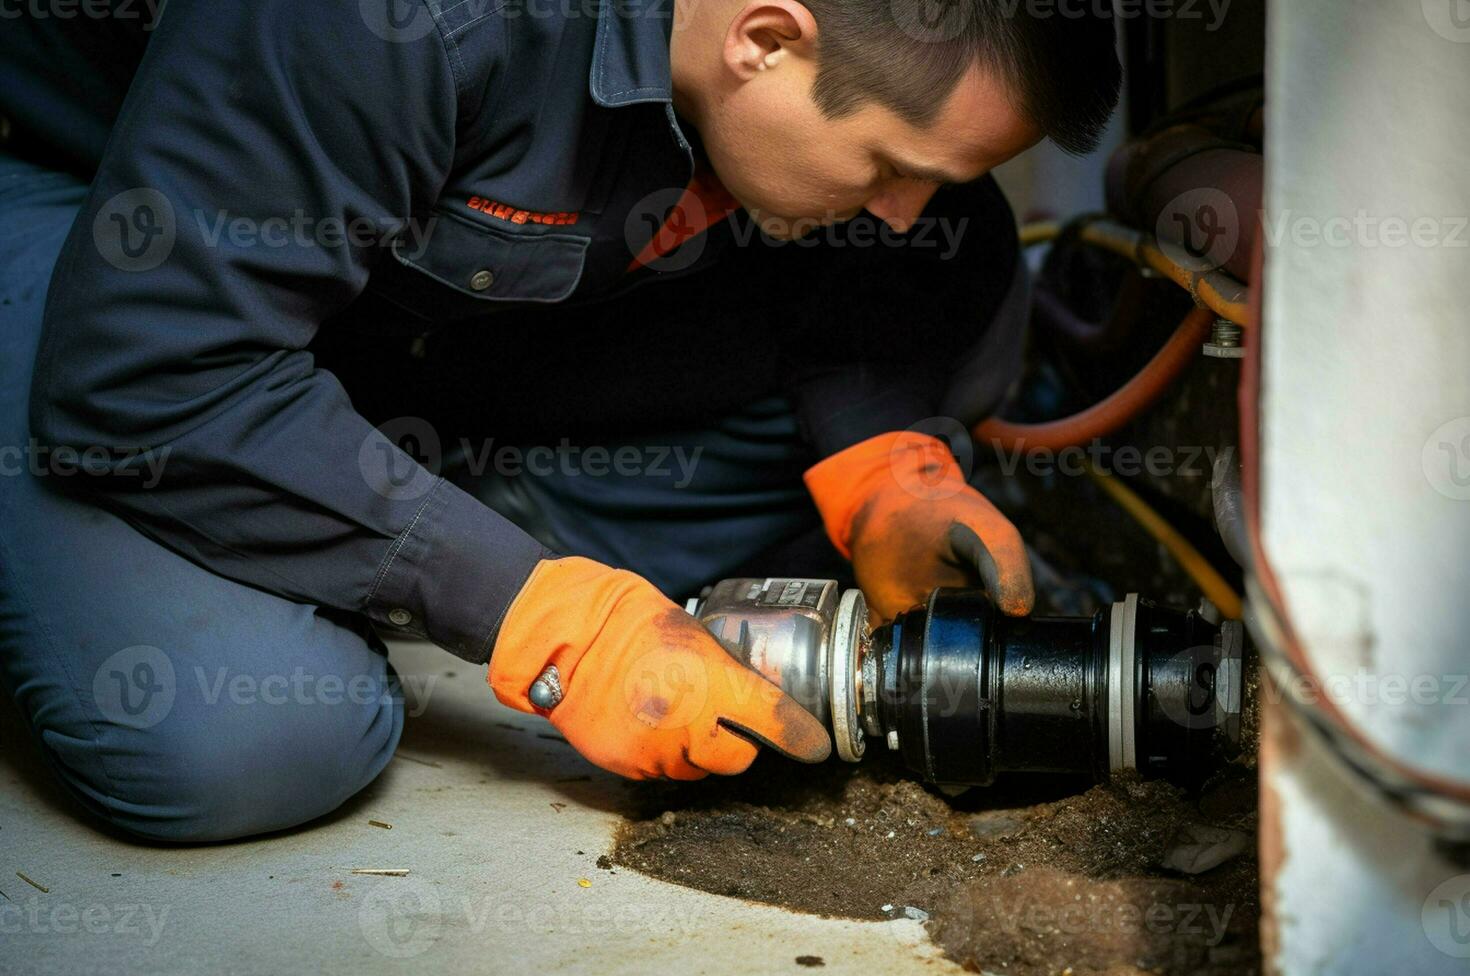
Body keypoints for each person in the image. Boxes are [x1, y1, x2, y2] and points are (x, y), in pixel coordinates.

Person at [0, 0, 1120, 841]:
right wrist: (543, 619)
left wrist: (885, 463)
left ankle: (383, 510)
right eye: (887, 166)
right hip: (108, 228)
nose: (902, 211)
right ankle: (380, 532)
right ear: (767, 39)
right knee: (248, 741)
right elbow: (155, 376)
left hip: (393, 299)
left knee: (967, 286)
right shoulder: (401, 23)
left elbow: (911, 251)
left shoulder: (749, 77)